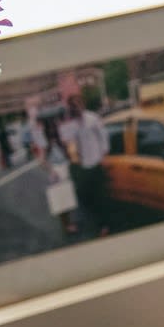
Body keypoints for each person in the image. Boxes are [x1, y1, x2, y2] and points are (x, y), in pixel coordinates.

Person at [58, 92, 110, 239]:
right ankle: (96, 223)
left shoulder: (92, 118)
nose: (76, 107)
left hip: (96, 162)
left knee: (101, 197)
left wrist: (104, 156)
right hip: (82, 166)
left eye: (78, 103)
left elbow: (103, 136)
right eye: (72, 105)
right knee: (87, 198)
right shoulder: (71, 124)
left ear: (82, 104)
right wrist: (64, 122)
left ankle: (104, 226)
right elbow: (64, 139)